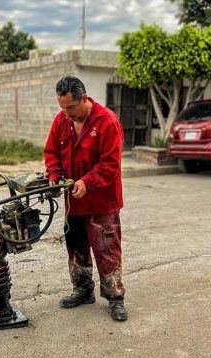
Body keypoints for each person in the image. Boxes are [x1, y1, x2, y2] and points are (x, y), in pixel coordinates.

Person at [44, 75, 127, 321]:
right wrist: (54, 175)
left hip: (102, 202)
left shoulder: (107, 121)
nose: (66, 113)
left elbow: (110, 164)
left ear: (84, 98)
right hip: (74, 201)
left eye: (70, 107)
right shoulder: (62, 121)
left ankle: (115, 297)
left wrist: (86, 182)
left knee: (106, 249)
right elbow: (51, 152)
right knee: (76, 247)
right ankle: (82, 290)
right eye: (62, 108)